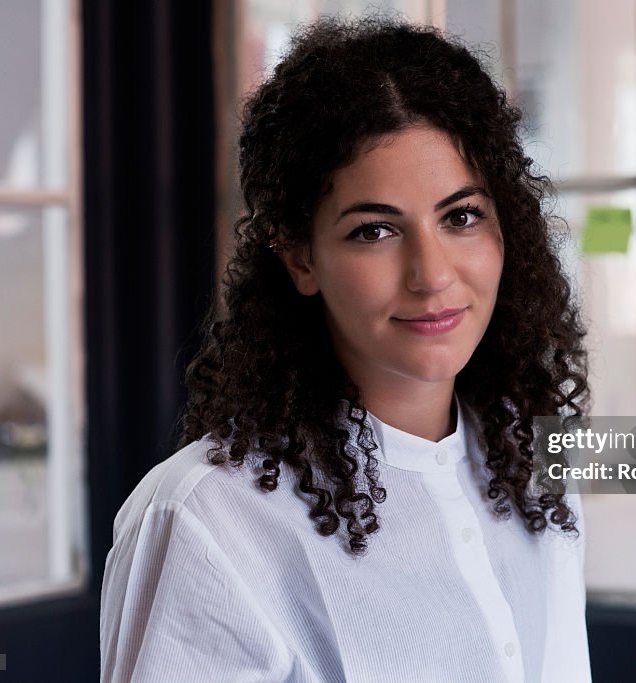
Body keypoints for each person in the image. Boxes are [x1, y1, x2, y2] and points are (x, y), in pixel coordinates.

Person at [100, 16, 592, 683]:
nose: (433, 274)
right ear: (300, 256)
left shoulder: (535, 463)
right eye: (374, 231)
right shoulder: (205, 519)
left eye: (461, 216)